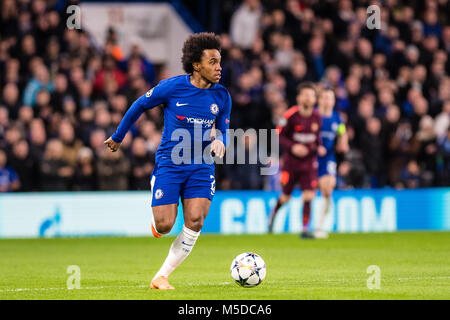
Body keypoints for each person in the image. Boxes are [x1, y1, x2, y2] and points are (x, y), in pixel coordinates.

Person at [104, 33, 231, 289]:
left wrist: (222, 142)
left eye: (220, 62)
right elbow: (139, 105)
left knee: (195, 220)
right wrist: (118, 136)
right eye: (213, 62)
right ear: (196, 64)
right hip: (171, 163)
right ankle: (158, 207)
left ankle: (161, 276)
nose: (219, 68)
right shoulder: (172, 87)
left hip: (202, 164)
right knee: (164, 225)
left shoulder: (222, 96)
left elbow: (225, 128)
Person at [268, 82, 325, 238]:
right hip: (291, 163)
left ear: (314, 99)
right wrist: (293, 147)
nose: (308, 98)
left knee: (309, 195)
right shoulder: (289, 115)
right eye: (305, 95)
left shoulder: (317, 117)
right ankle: (273, 216)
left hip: (309, 163)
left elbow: (317, 136)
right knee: (285, 197)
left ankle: (305, 229)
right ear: (299, 98)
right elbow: (278, 134)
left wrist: (319, 146)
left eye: (311, 95)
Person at [315, 88, 349, 239]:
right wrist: (316, 146)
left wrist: (344, 142)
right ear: (320, 100)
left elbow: (342, 132)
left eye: (331, 98)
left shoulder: (337, 118)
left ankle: (319, 227)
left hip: (328, 157)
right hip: (311, 157)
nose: (328, 101)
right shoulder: (314, 116)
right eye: (325, 98)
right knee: (309, 191)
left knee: (328, 189)